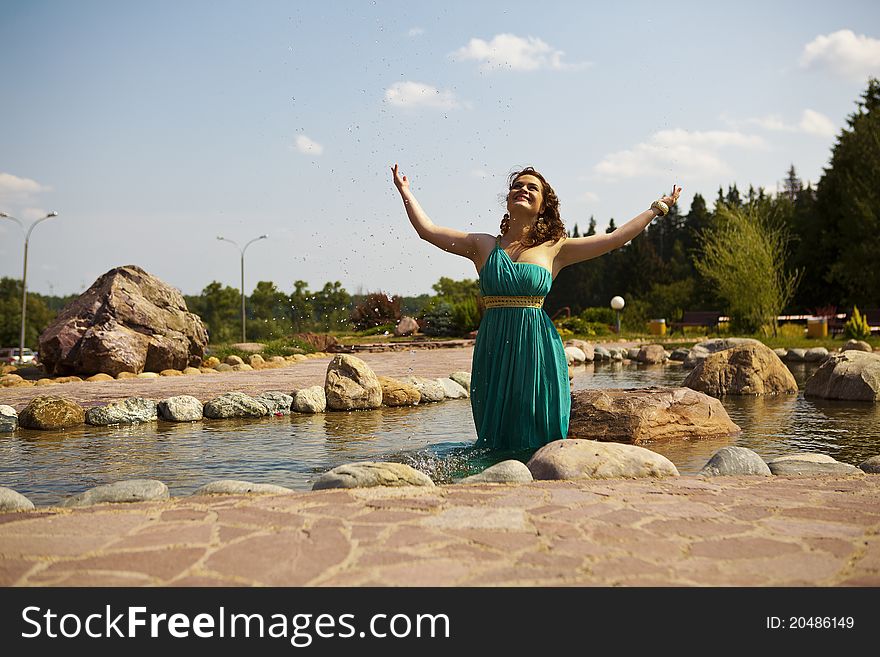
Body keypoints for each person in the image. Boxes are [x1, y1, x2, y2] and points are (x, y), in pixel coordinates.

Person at [392, 163, 681, 450]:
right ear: (508, 200)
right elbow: (427, 230)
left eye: (533, 188)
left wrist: (657, 208)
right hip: (494, 345)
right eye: (518, 186)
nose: (523, 190)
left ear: (543, 205)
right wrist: (405, 191)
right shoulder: (482, 245)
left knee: (538, 422)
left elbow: (614, 239)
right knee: (495, 432)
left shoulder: (556, 247)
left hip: (537, 344)